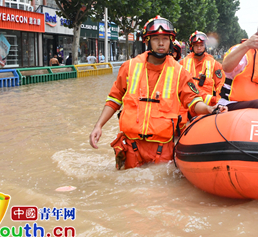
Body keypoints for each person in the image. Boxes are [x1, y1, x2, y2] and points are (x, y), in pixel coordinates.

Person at [89, 16, 226, 169]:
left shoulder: (180, 72)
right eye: (156, 39)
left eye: (165, 39)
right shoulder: (130, 67)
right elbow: (114, 99)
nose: (161, 43)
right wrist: (98, 125)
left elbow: (193, 102)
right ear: (147, 40)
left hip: (162, 150)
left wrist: (209, 109)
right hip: (131, 147)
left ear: (170, 41)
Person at [179, 31, 224, 106]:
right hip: (186, 107)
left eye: (201, 45)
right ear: (192, 46)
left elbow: (220, 85)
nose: (199, 48)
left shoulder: (214, 64)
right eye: (196, 45)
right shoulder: (183, 63)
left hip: (207, 108)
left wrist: (217, 102)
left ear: (205, 46)